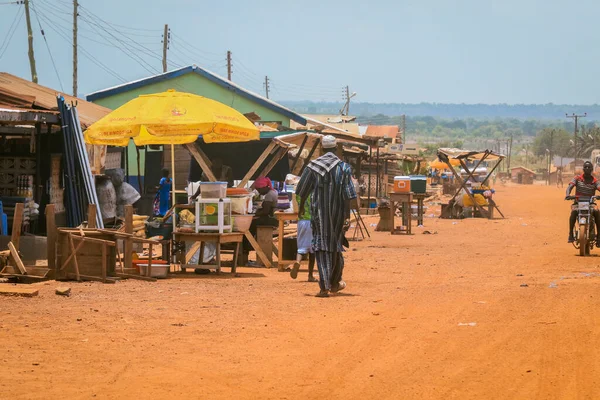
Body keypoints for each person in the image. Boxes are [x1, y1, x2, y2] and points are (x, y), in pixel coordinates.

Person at [296, 135, 357, 297]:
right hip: (338, 216)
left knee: (321, 248)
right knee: (335, 247)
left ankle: (325, 286)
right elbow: (349, 195)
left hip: (319, 217)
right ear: (336, 149)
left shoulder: (312, 167)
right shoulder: (343, 168)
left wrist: (301, 209)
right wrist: (346, 217)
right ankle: (334, 282)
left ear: (322, 149)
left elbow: (301, 191)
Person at [565, 161, 600, 244]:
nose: (587, 169)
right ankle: (570, 234)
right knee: (573, 212)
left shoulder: (595, 181)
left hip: (590, 203)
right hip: (578, 202)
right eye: (585, 167)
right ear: (583, 169)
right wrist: (567, 194)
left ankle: (599, 237)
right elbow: (569, 187)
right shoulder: (577, 178)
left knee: (597, 212)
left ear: (592, 169)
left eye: (589, 167)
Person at [243, 177, 279, 256]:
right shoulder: (274, 192)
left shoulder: (269, 195)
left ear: (264, 187)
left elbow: (265, 211)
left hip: (271, 219)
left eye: (259, 189)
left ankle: (247, 246)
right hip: (275, 219)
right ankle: (249, 245)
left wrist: (253, 215)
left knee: (249, 225)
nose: (258, 192)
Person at [290, 193, 317, 282]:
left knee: (301, 248)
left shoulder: (298, 195)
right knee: (312, 250)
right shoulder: (314, 195)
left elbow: (295, 208)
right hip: (312, 222)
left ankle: (298, 262)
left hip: (301, 222)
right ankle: (310, 275)